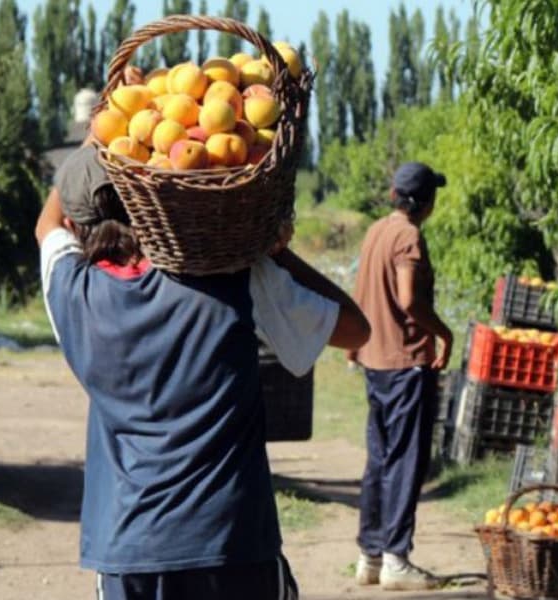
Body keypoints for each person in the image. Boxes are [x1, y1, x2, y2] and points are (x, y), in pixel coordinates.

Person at [36, 145, 371, 600]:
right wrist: (269, 251)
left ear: (77, 224)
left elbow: (47, 227)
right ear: (160, 196)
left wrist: (95, 141)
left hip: (129, 551)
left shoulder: (73, 294)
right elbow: (356, 330)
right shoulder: (234, 275)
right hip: (231, 543)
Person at [349, 162, 452, 591]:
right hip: (406, 362)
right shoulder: (408, 235)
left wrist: (354, 343)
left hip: (375, 358)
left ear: (394, 195)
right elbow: (409, 299)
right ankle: (396, 558)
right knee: (406, 461)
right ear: (426, 201)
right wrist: (444, 333)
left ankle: (370, 556)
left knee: (380, 457)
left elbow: (361, 289)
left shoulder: (376, 231)